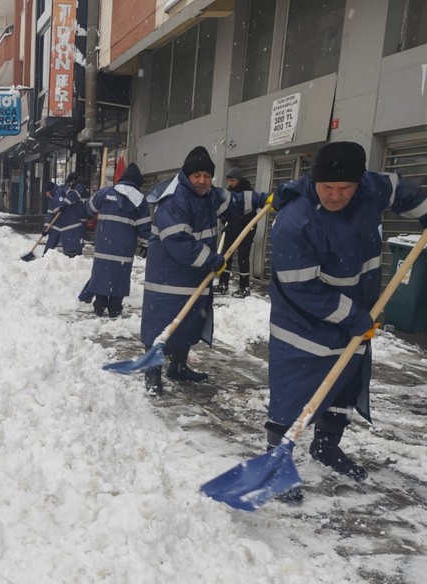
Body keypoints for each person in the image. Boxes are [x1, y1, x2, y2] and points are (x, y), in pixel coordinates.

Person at [265, 140, 427, 500]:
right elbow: (302, 288)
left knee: (344, 384)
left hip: (357, 312)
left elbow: (402, 189)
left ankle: (326, 445)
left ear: (358, 183)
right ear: (314, 181)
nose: (335, 196)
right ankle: (276, 463)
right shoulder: (296, 221)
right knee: (293, 392)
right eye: (327, 187)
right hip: (302, 323)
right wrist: (352, 316)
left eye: (344, 188)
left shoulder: (371, 188)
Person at [140, 146, 228, 396]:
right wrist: (213, 259)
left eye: (207, 175)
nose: (202, 181)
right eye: (197, 175)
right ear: (186, 176)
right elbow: (179, 242)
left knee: (187, 323)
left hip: (193, 276)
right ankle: (152, 375)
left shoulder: (209, 195)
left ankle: (178, 367)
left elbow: (236, 201)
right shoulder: (173, 200)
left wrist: (266, 199)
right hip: (167, 279)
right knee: (160, 326)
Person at [78, 162, 151, 317]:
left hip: (104, 243)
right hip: (124, 247)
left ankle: (100, 303)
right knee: (120, 275)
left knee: (101, 272)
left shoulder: (105, 193)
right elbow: (144, 226)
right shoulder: (139, 200)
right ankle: (115, 307)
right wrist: (146, 244)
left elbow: (89, 209)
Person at [213, 167, 268, 298]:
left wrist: (240, 224)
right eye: (228, 181)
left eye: (232, 180)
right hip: (231, 229)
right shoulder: (228, 193)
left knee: (243, 258)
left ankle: (244, 287)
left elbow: (247, 212)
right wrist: (224, 219)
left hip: (246, 229)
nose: (230, 183)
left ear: (238, 179)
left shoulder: (248, 192)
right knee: (225, 257)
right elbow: (225, 210)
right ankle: (223, 284)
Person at [45, 172, 90, 257]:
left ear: (72, 181)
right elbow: (52, 213)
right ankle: (75, 253)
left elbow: (73, 196)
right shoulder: (75, 188)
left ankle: (75, 254)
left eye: (69, 182)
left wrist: (64, 205)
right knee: (78, 239)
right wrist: (46, 228)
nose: (69, 185)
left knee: (77, 240)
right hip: (79, 218)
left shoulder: (80, 187)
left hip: (79, 218)